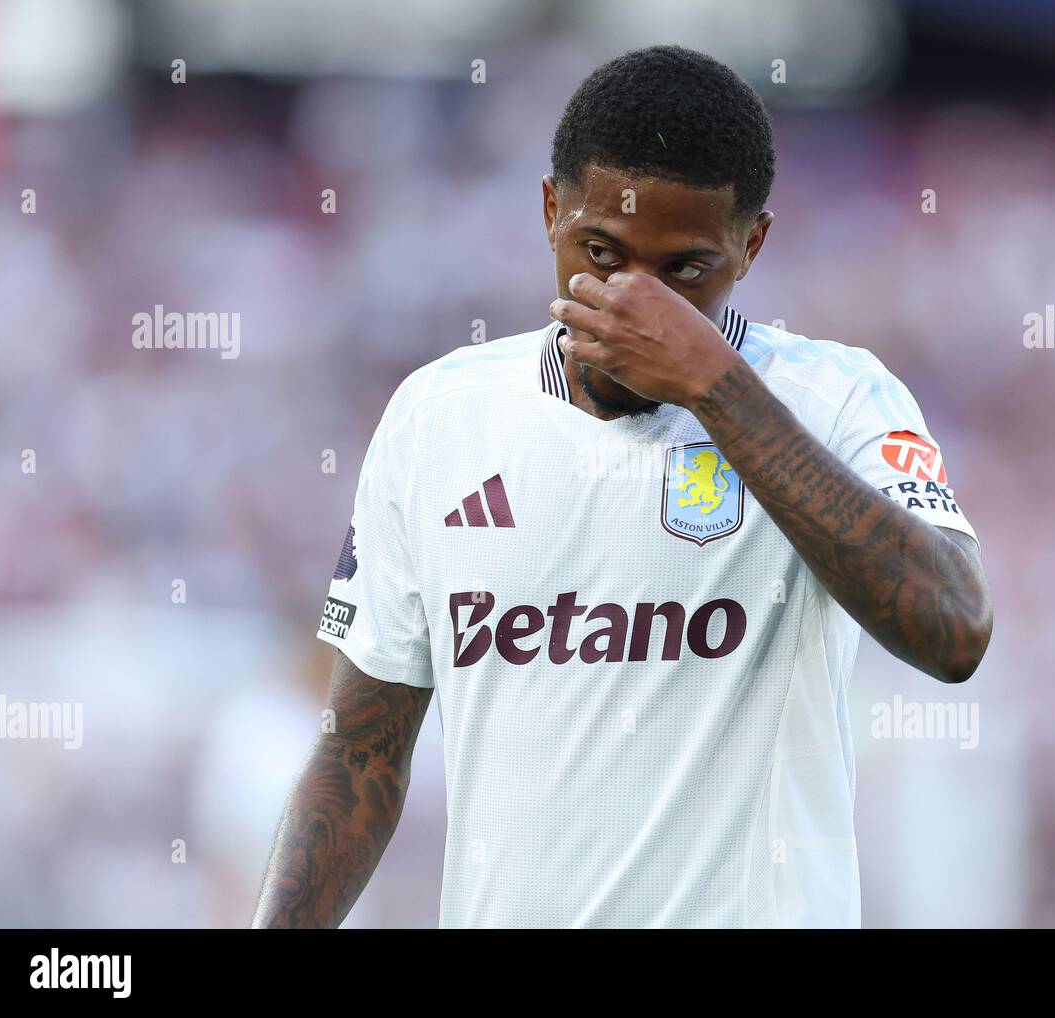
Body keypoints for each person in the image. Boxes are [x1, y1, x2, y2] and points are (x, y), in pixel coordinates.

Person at [252, 43, 992, 930]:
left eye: (685, 270)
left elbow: (953, 629)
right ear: (549, 210)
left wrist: (715, 388)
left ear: (751, 245)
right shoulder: (438, 416)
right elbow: (361, 754)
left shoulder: (836, 400)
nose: (634, 301)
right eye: (600, 251)